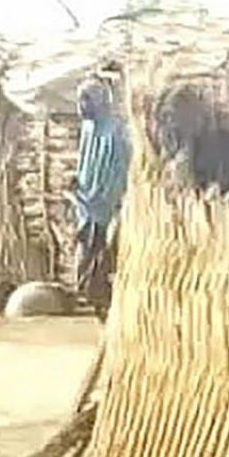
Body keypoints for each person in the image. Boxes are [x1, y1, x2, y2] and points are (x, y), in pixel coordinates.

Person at [70, 76, 131, 314]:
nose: (81, 106)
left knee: (101, 264)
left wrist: (105, 198)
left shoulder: (117, 132)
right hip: (85, 209)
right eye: (79, 100)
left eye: (87, 100)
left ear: (100, 101)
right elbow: (85, 162)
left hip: (107, 210)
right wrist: (77, 182)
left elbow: (120, 170)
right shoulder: (87, 129)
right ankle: (100, 305)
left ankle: (107, 308)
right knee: (86, 265)